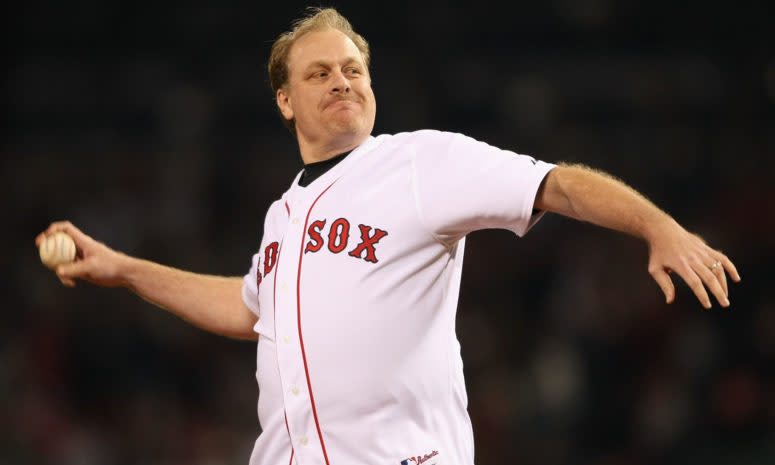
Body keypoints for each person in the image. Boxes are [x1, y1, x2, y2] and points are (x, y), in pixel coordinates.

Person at [36, 7, 740, 465]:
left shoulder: (418, 161)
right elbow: (251, 309)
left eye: (353, 69)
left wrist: (657, 225)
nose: (342, 81)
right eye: (319, 73)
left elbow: (553, 182)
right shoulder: (283, 212)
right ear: (285, 100)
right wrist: (123, 268)